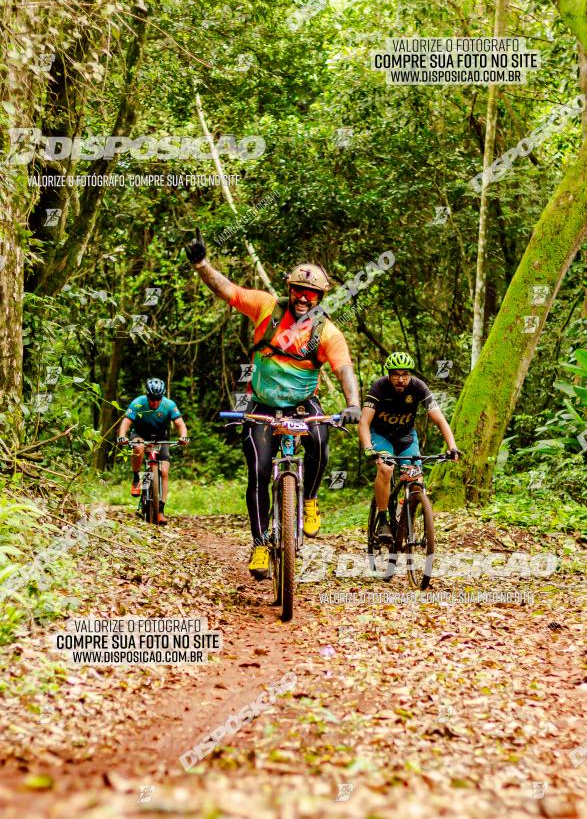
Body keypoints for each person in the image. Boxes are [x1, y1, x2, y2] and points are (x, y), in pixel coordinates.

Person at [184, 228, 361, 578]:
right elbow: (227, 290)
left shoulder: (326, 332)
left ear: (320, 297)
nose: (303, 298)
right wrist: (202, 264)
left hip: (301, 404)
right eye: (298, 290)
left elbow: (344, 370)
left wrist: (352, 404)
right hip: (262, 405)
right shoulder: (266, 307)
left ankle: (308, 501)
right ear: (289, 290)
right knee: (259, 471)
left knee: (321, 444)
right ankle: (261, 545)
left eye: (311, 294)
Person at [359, 352, 459, 541]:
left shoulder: (418, 387)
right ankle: (382, 520)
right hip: (381, 435)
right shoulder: (379, 388)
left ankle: (406, 520)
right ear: (389, 375)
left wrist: (452, 447)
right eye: (395, 374)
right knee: (386, 469)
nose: (400, 379)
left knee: (416, 480)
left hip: (406, 436)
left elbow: (439, 419)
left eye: (405, 374)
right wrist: (367, 447)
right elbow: (364, 422)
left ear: (410, 375)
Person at [117, 378, 189, 525]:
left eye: (158, 399)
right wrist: (122, 436)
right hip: (140, 436)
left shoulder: (169, 405)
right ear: (147, 395)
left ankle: (160, 510)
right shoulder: (138, 403)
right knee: (138, 447)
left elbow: (180, 424)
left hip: (161, 438)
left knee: (164, 472)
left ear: (162, 397)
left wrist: (183, 437)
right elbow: (126, 421)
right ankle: (137, 478)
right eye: (152, 399)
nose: (155, 402)